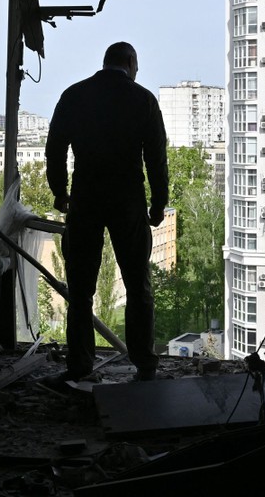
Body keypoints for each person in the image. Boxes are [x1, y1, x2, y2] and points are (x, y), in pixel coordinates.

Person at [44, 41, 169, 385]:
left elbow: (54, 147)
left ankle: (80, 364)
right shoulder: (143, 100)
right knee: (136, 283)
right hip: (127, 200)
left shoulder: (74, 95)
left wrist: (59, 191)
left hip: (85, 197)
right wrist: (158, 203)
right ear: (130, 62)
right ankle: (144, 363)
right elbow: (156, 159)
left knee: (81, 289)